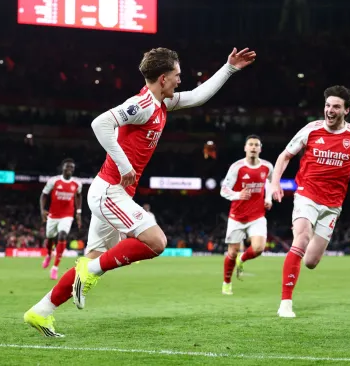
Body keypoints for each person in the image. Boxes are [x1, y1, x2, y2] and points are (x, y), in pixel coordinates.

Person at [23, 46, 256, 337]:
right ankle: (89, 270)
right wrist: (124, 165)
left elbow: (197, 96)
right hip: (110, 192)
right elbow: (100, 123)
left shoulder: (162, 102)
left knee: (95, 258)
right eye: (177, 75)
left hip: (113, 193)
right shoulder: (143, 104)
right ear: (162, 78)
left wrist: (229, 68)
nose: (180, 80)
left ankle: (41, 311)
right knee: (156, 242)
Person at [270, 85, 350, 318]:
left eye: (336, 106)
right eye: (327, 105)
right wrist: (275, 183)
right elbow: (285, 156)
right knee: (301, 238)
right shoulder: (311, 129)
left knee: (310, 261)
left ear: (346, 110)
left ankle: (298, 256)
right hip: (307, 194)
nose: (330, 110)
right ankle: (285, 304)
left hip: (332, 205)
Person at [219, 135, 273, 294]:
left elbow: (270, 182)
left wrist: (268, 198)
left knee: (258, 248)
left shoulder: (267, 166)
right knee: (232, 252)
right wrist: (238, 195)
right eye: (251, 144)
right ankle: (227, 282)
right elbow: (224, 190)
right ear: (245, 148)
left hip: (257, 215)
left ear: (260, 148)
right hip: (237, 216)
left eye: (256, 145)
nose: (253, 147)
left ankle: (241, 259)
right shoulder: (237, 167)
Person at [40, 159, 82, 280]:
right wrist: (42, 210)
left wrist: (78, 213)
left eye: (72, 167)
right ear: (62, 167)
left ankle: (55, 267)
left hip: (67, 215)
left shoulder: (77, 183)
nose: (70, 169)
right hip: (53, 215)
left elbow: (79, 196)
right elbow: (44, 195)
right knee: (50, 237)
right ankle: (49, 255)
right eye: (67, 167)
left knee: (62, 235)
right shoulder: (53, 181)